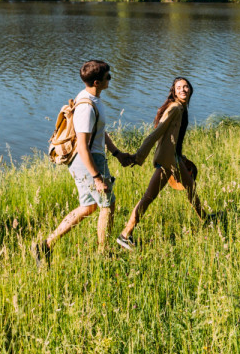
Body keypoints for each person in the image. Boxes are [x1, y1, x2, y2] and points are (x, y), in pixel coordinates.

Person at [34, 60, 130, 265]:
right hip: (88, 160)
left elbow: (99, 132)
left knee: (88, 207)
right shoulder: (86, 107)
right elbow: (83, 147)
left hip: (91, 158)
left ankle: (45, 245)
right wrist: (96, 177)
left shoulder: (91, 98)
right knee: (108, 204)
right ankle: (104, 254)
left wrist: (116, 153)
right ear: (97, 82)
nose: (110, 79)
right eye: (108, 77)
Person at [116, 77, 205, 250]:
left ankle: (205, 219)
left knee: (190, 187)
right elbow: (155, 134)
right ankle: (125, 234)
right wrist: (138, 156)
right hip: (168, 162)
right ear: (174, 91)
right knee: (149, 197)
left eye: (186, 87)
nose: (183, 90)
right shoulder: (175, 109)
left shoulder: (182, 109)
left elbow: (173, 139)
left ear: (191, 90)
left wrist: (181, 156)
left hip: (174, 159)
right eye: (179, 87)